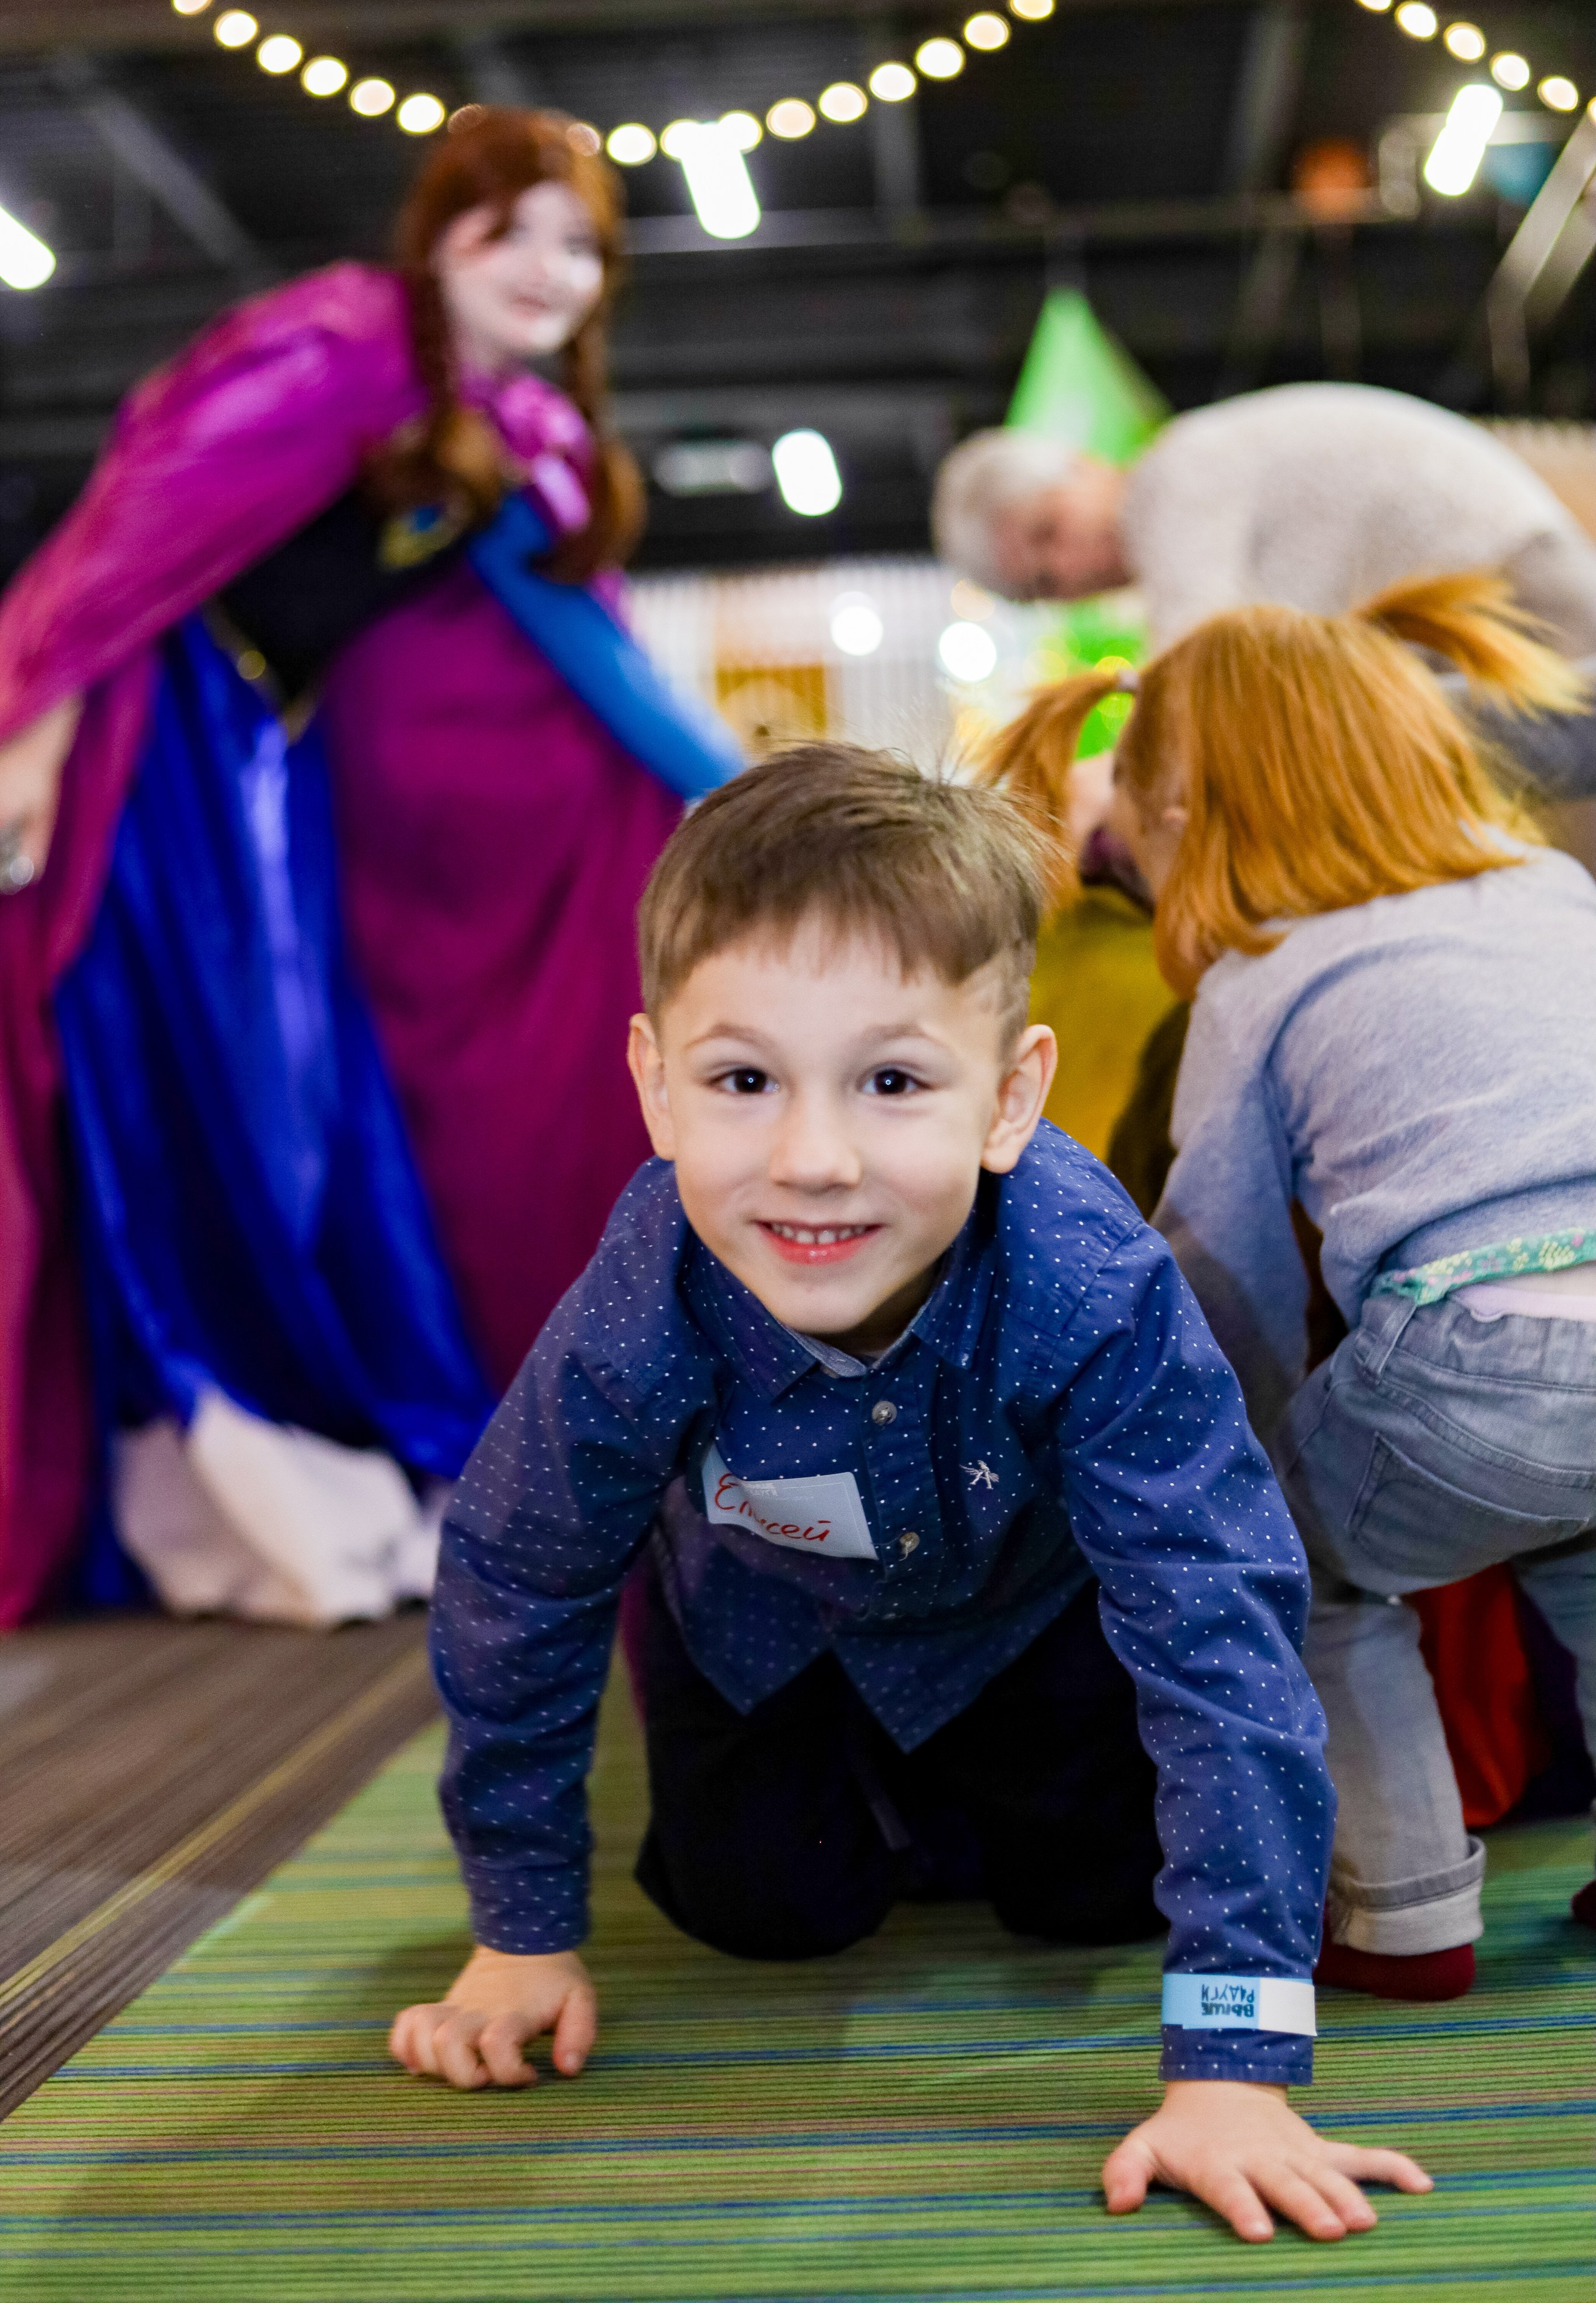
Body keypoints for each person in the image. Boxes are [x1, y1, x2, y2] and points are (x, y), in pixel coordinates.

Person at [390, 744, 1434, 2246]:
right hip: (755, 1624)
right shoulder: (647, 1292)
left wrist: (1231, 2063)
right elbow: (517, 1570)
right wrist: (518, 1928)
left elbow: (1215, 1622)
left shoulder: (1093, 1286)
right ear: (654, 1086)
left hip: (1022, 1617)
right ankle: (869, 1799)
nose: (813, 1160)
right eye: (742, 1080)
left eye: (891, 1080)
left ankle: (949, 1800)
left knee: (1095, 1896)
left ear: (1009, 1099)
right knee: (761, 1913)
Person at [0, 108, 741, 1627]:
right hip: (155, 762)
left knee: (256, 1125)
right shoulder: (335, 345)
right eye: (508, 229)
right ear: (435, 239)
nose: (548, 269)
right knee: (171, 1113)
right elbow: (125, 541)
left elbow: (592, 661)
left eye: (580, 244)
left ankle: (285, 1454)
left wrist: (746, 800)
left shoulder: (513, 424)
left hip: (255, 780)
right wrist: (29, 728)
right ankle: (199, 1460)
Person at [984, 572, 1596, 2003]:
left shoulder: (1260, 968)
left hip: (1474, 1351)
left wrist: (1209, 1462)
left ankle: (1401, 1910)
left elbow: (1219, 1269)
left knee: (1308, 1564)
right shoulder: (1554, 888)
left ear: (1184, 814)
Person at [935, 383, 1596, 844]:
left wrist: (1090, 790)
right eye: (1047, 582)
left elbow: (1194, 679)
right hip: (1472, 612)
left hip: (1506, 585)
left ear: (1082, 466)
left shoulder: (1173, 481)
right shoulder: (1186, 522)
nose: (1073, 566)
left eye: (1050, 529)